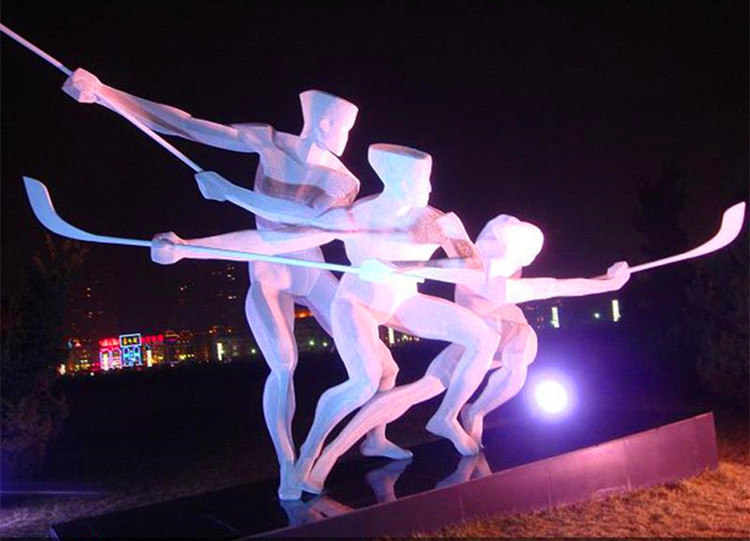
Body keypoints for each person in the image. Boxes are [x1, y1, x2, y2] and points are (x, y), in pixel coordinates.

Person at [63, 68, 360, 500]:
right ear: (326, 123)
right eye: (345, 129)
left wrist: (222, 207)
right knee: (283, 364)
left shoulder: (343, 181)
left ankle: (366, 438)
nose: (346, 139)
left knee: (374, 367)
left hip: (311, 270)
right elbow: (185, 125)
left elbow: (293, 228)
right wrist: (106, 94)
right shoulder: (268, 141)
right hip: (268, 272)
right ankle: (288, 464)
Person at [150, 143, 502, 492]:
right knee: (364, 382)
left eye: (427, 179)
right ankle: (310, 454)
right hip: (356, 304)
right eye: (418, 180)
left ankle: (446, 416)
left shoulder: (437, 220)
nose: (428, 187)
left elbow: (472, 268)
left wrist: (403, 267)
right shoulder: (355, 217)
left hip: (404, 301)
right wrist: (188, 248)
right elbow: (271, 241)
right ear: (393, 180)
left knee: (483, 337)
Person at [299, 214, 630, 493]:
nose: (525, 259)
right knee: (420, 389)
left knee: (488, 368)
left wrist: (607, 282)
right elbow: (555, 286)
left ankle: (467, 414)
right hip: (477, 344)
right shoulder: (487, 275)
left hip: (491, 342)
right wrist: (391, 268)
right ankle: (338, 452)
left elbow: (554, 284)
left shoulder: (494, 268)